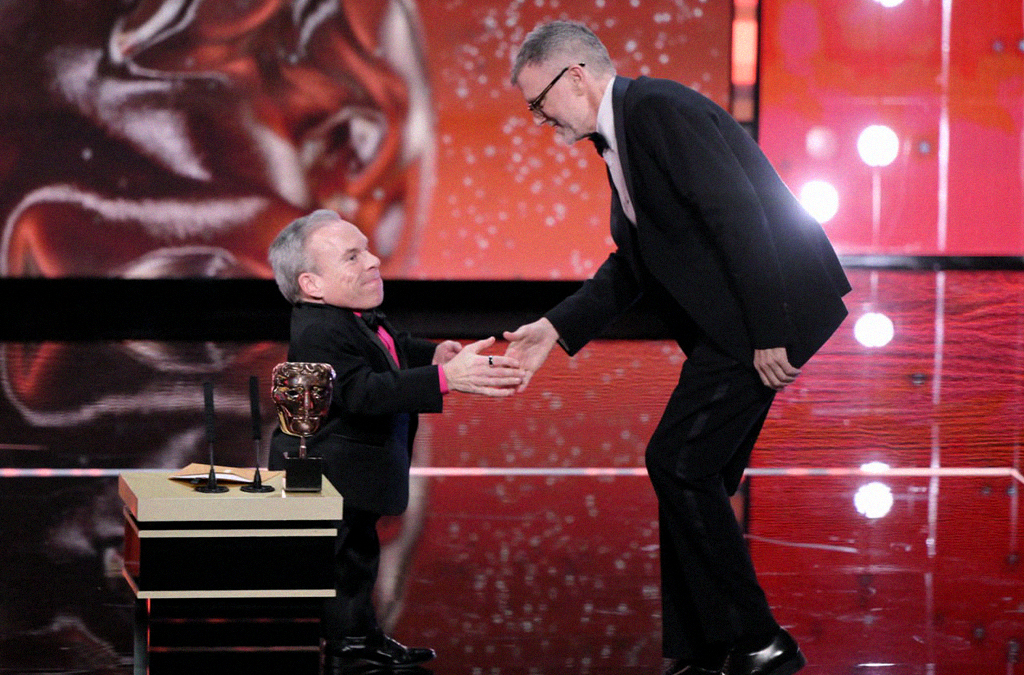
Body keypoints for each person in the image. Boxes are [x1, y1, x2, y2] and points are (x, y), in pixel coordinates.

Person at [504, 21, 851, 675]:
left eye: (539, 103)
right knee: (697, 473)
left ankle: (760, 641)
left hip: (758, 320)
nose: (540, 119)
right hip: (739, 322)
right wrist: (554, 327)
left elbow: (740, 216)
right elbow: (633, 265)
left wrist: (769, 331)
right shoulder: (622, 135)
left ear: (575, 77)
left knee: (679, 462)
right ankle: (704, 646)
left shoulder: (657, 110)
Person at [267, 208, 524, 669]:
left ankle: (359, 637)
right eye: (352, 257)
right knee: (341, 562)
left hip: (358, 474)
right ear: (312, 284)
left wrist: (433, 355)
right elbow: (361, 391)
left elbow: (391, 347)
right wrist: (444, 379)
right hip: (333, 473)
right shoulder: (318, 332)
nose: (373, 261)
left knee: (359, 559)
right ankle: (343, 644)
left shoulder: (351, 316)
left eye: (366, 249)